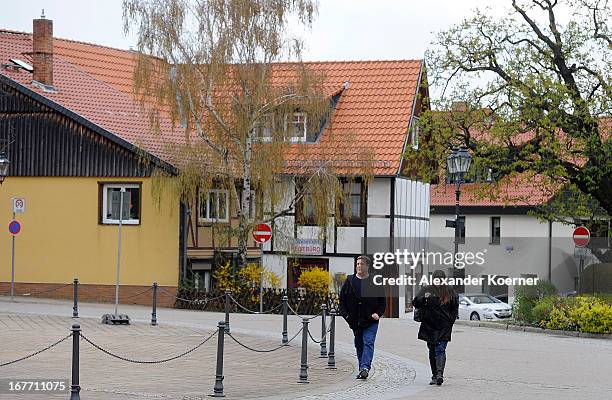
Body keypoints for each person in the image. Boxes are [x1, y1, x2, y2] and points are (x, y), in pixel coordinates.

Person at [339, 255, 386, 379]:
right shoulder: (349, 281)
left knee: (368, 342)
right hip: (355, 321)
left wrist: (378, 314)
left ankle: (365, 367)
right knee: (359, 344)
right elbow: (341, 302)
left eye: (361, 264)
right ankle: (362, 369)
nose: (359, 266)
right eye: (357, 264)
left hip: (371, 320)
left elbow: (382, 302)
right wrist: (347, 316)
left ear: (367, 266)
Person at [412, 269, 459, 386]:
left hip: (444, 326)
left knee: (440, 349)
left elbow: (454, 309)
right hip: (429, 325)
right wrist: (423, 298)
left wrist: (450, 322)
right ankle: (434, 375)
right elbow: (415, 303)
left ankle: (439, 374)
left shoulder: (450, 291)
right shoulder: (426, 289)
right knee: (432, 350)